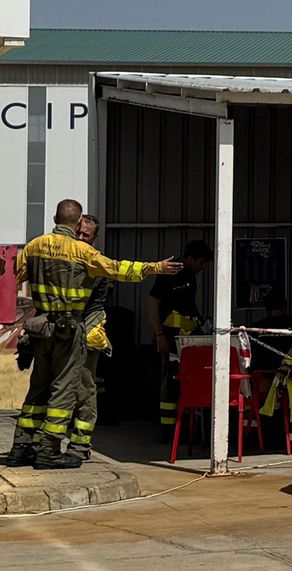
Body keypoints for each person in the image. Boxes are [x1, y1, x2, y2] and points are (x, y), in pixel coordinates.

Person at [9, 200, 178, 470]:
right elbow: (119, 268)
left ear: (54, 218)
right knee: (64, 391)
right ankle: (50, 451)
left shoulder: (34, 246)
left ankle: (21, 447)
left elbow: (14, 275)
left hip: (42, 329)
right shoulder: (83, 253)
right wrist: (155, 267)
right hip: (69, 331)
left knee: (38, 388)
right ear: (77, 225)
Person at [146, 240, 212, 435]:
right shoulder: (171, 272)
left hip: (188, 339)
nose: (203, 268)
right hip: (170, 337)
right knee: (171, 382)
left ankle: (185, 426)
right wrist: (160, 336)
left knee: (187, 382)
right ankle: (169, 429)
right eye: (201, 262)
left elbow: (187, 307)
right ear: (190, 258)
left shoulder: (191, 275)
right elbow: (152, 303)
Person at [67, 215, 113, 462]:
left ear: (94, 238)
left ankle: (81, 445)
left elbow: (83, 304)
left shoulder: (95, 263)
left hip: (86, 332)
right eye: (78, 232)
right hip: (67, 331)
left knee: (85, 388)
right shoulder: (65, 256)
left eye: (86, 235)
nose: (81, 238)